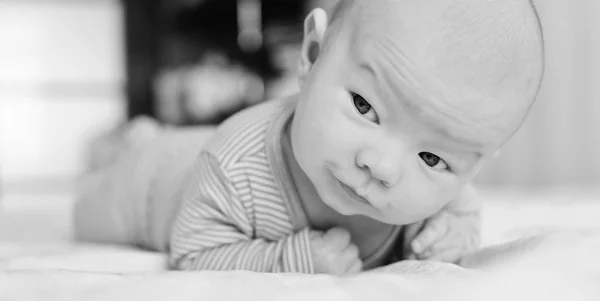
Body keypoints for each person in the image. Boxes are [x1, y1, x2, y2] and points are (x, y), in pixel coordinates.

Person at [74, 0, 544, 275]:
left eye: (432, 158)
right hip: (155, 184)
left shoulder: (444, 195)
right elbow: (194, 253)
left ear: (473, 166)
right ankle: (125, 145)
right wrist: (291, 259)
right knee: (92, 206)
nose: (381, 166)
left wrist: (453, 235)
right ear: (312, 54)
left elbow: (463, 209)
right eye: (365, 107)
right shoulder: (234, 166)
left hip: (190, 154)